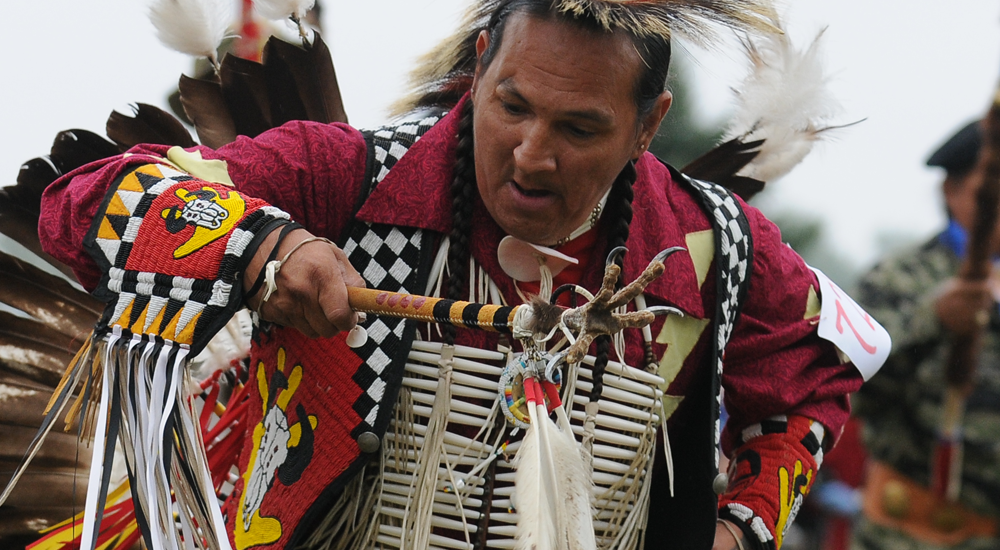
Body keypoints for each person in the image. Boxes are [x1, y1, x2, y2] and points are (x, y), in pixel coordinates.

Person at [34, 1, 867, 549]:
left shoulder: (711, 245)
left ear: (650, 123)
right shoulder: (348, 178)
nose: (532, 156)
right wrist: (263, 249)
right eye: (511, 106)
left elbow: (820, 378)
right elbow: (95, 198)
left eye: (580, 127)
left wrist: (741, 529)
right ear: (478, 68)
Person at [853, 121, 1000, 550]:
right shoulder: (899, 279)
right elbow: (856, 390)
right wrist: (931, 322)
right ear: (951, 191)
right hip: (906, 535)